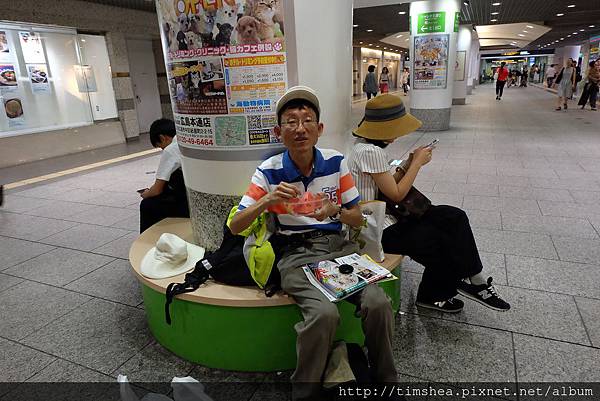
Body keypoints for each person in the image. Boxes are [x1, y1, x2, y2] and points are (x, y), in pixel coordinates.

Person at [229, 86, 398, 401]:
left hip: (338, 247)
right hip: (295, 254)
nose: (300, 128)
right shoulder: (269, 171)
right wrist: (267, 199)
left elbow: (359, 218)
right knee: (324, 314)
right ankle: (304, 393)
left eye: (307, 120)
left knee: (378, 303)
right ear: (280, 132)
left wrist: (334, 210)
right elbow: (236, 226)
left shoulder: (335, 163)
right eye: (291, 122)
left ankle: (387, 381)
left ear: (319, 129)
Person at [348, 94, 511, 314]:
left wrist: (405, 165)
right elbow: (396, 194)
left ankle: (476, 279)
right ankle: (433, 295)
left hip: (388, 216)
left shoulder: (363, 146)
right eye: (395, 128)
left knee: (454, 217)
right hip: (378, 230)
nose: (398, 134)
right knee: (440, 240)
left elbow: (386, 186)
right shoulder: (370, 152)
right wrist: (416, 164)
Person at [139, 118, 190, 233]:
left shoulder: (171, 150)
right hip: (194, 195)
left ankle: (147, 239)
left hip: (185, 204)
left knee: (147, 205)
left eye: (161, 146)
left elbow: (157, 189)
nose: (163, 150)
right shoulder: (185, 140)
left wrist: (146, 193)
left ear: (163, 137)